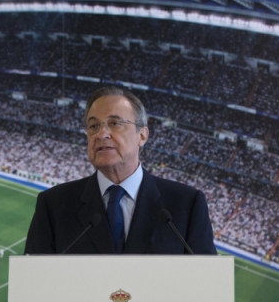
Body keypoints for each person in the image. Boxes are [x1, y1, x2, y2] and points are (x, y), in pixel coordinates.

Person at [24, 85, 216, 255]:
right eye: (93, 126)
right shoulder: (53, 205)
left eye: (115, 123)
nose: (101, 134)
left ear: (142, 135)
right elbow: (33, 280)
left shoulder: (186, 205)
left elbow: (208, 281)